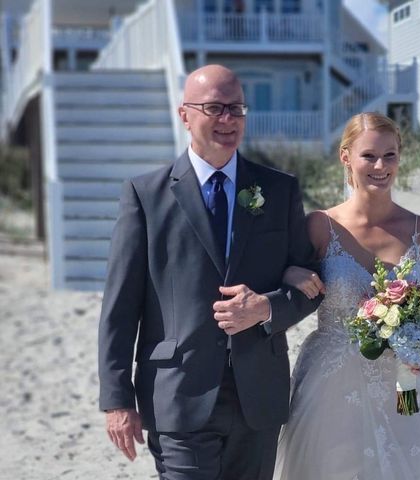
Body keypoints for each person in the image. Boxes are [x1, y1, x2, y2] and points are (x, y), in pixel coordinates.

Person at [98, 64, 321, 480]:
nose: (227, 120)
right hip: (177, 396)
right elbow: (120, 307)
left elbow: (312, 283)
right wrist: (117, 400)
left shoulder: (279, 189)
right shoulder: (144, 196)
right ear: (185, 115)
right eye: (214, 108)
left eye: (236, 109)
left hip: (259, 397)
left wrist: (266, 308)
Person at [274, 112, 420, 479]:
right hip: (330, 381)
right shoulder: (319, 226)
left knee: (413, 460)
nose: (380, 166)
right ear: (346, 157)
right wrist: (289, 271)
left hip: (403, 382)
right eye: (369, 156)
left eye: (389, 155)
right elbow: (276, 276)